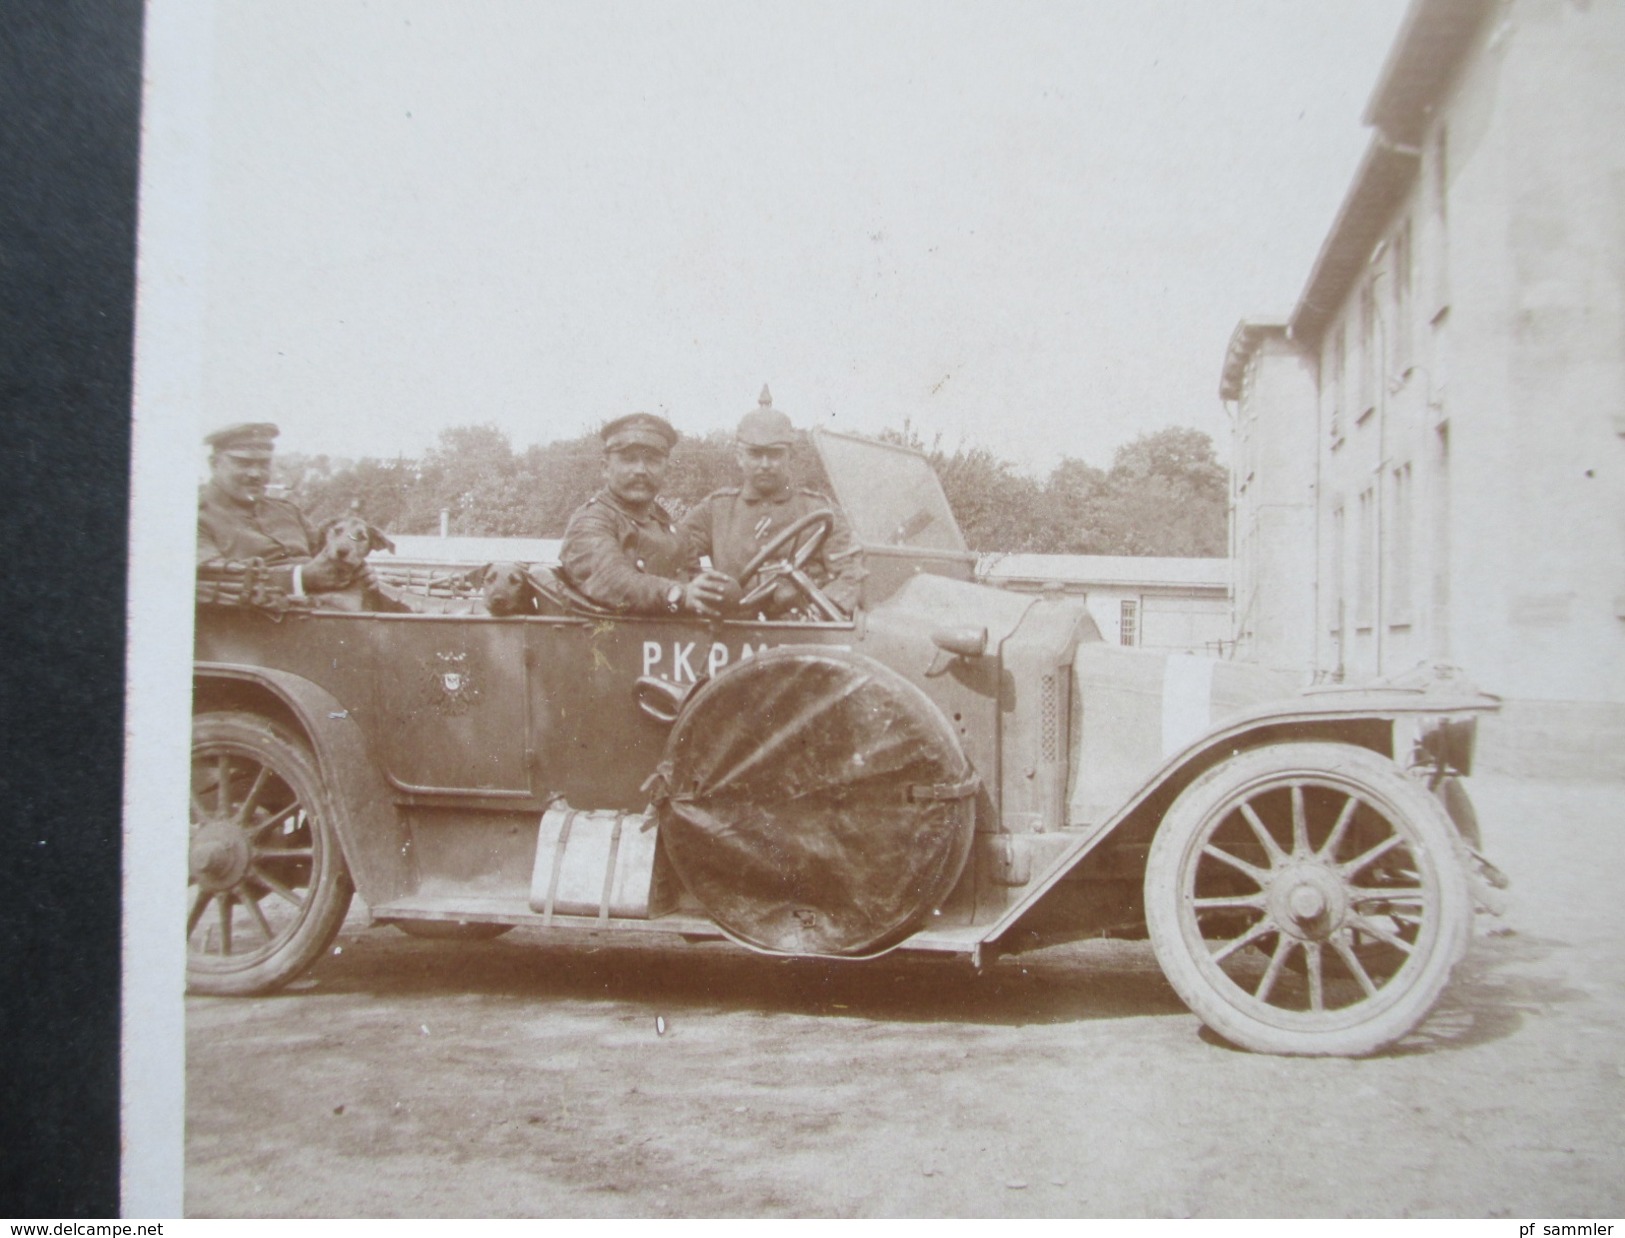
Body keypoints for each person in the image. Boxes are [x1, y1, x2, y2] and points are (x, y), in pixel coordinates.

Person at [680, 386, 863, 618]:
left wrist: (817, 612)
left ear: (790, 456)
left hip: (802, 637)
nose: (765, 464)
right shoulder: (715, 510)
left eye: (775, 454)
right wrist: (698, 588)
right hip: (732, 635)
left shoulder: (819, 511)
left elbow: (851, 574)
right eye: (756, 454)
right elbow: (673, 554)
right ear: (739, 457)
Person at [559, 413, 733, 615]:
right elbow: (611, 580)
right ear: (605, 468)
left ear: (665, 469)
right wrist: (678, 594)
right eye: (629, 460)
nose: (641, 470)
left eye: (652, 461)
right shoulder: (591, 522)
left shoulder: (674, 530)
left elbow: (695, 583)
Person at [196, 422, 364, 596]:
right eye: (243, 463)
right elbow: (208, 577)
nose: (256, 474)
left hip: (328, 608)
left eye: (263, 464)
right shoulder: (195, 519)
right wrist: (299, 578)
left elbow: (328, 555)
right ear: (214, 464)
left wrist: (356, 569)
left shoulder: (288, 511)